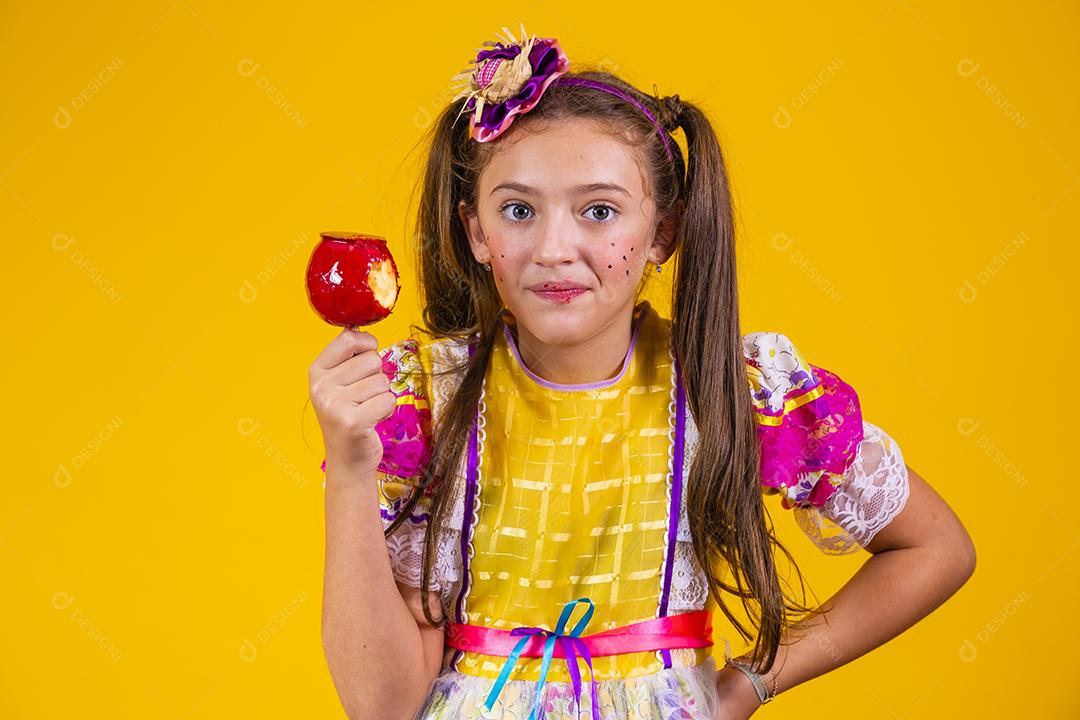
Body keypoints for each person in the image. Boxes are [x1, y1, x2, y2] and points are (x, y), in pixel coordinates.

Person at [311, 25, 976, 720]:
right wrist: (352, 470)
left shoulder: (732, 389)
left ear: (662, 233)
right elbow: (382, 709)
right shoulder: (425, 403)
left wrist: (748, 684)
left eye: (599, 211)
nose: (554, 248)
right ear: (477, 232)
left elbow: (935, 549)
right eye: (517, 211)